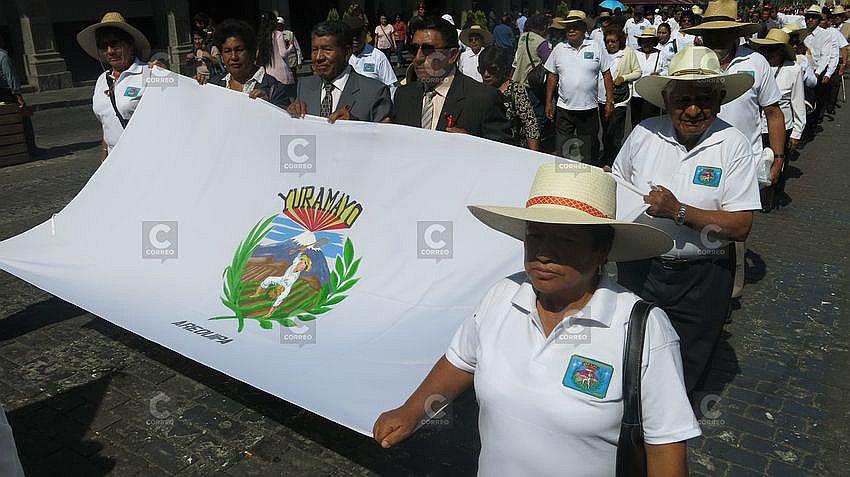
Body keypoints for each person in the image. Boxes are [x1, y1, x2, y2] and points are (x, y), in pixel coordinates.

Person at [374, 163, 700, 477]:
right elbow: (461, 361)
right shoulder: (503, 296)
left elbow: (664, 447)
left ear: (603, 250)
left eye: (565, 239)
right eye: (536, 235)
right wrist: (413, 410)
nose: (544, 252)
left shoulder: (643, 329)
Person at [614, 46, 761, 394]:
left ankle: (672, 434)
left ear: (721, 99)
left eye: (704, 99)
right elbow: (616, 184)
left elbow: (741, 225)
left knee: (688, 363)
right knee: (632, 351)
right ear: (666, 99)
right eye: (683, 99)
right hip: (640, 268)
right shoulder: (644, 132)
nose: (693, 110)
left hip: (703, 277)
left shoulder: (733, 143)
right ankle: (630, 426)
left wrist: (679, 211)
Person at [683, 0, 785, 189]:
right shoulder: (689, 62)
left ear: (736, 33)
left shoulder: (755, 61)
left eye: (723, 32)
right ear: (702, 35)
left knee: (738, 217)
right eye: (710, 33)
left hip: (745, 162)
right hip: (698, 158)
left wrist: (778, 158)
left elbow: (773, 113)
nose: (716, 39)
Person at [391, 16, 512, 142]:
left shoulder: (484, 99)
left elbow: (504, 153)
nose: (418, 58)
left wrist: (474, 145)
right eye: (414, 49)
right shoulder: (402, 96)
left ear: (453, 55)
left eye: (428, 49)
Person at [77, 12, 162, 160]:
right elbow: (107, 121)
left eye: (115, 43)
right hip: (114, 159)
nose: (110, 51)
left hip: (145, 156)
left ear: (130, 44)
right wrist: (105, 152)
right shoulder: (102, 80)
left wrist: (165, 73)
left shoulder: (149, 74)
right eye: (104, 46)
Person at [544, 11, 614, 165]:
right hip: (564, 108)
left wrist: (609, 100)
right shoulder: (559, 49)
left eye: (575, 27)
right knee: (563, 147)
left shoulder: (596, 47)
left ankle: (588, 177)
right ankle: (564, 177)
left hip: (588, 109)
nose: (571, 30)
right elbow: (552, 76)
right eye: (568, 27)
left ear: (583, 29)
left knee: (589, 149)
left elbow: (607, 74)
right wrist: (549, 102)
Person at [287, 21, 392, 123]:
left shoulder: (375, 91)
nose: (319, 57)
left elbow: (384, 137)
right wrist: (291, 116)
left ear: (347, 52)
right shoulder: (304, 86)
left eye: (327, 49)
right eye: (314, 50)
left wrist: (357, 126)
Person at [749, 28, 805, 211]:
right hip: (757, 125)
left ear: (781, 50)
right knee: (758, 162)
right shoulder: (756, 66)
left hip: (782, 125)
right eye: (765, 49)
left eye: (772, 49)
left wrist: (797, 132)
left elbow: (798, 103)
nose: (768, 53)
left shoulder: (793, 70)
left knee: (776, 164)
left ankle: (769, 199)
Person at [197, 19, 292, 109]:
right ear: (221, 56)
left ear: (253, 52)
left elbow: (286, 120)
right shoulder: (214, 85)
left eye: (239, 50)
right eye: (227, 51)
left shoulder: (274, 89)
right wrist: (195, 88)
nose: (234, 57)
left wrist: (271, 107)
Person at [478, 47, 539, 150]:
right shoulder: (479, 90)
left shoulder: (516, 90)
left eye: (492, 69)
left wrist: (533, 157)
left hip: (512, 149)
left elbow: (531, 127)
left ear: (502, 68)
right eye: (482, 69)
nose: (486, 74)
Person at [599, 26, 641, 167]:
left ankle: (613, 161)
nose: (610, 44)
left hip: (620, 99)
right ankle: (607, 157)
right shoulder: (602, 53)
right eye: (608, 41)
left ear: (620, 41)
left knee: (615, 132)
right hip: (602, 98)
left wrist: (624, 77)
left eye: (613, 41)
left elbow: (637, 72)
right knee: (605, 131)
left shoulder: (628, 53)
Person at [802, 6, 839, 129]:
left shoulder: (826, 35)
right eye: (808, 18)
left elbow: (826, 56)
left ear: (818, 20)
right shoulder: (802, 34)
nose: (810, 20)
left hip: (818, 71)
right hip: (804, 71)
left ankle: (814, 123)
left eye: (813, 18)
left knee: (818, 98)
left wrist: (821, 73)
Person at [344, 16, 398, 97]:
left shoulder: (378, 57)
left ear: (365, 33)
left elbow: (391, 87)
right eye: (351, 37)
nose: (355, 40)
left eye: (358, 36)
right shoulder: (341, 57)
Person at [250, 254, 312, 318]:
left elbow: (282, 287)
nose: (301, 267)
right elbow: (298, 257)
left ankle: (269, 314)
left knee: (280, 298)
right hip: (281, 279)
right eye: (301, 263)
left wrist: (278, 291)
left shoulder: (293, 277)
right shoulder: (295, 263)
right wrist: (300, 252)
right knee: (268, 279)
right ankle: (257, 294)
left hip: (286, 287)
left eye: (303, 267)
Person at [631, 27, 665, 128]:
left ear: (654, 42)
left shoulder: (660, 53)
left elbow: (666, 69)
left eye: (650, 41)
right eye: (644, 41)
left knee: (650, 123)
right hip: (636, 93)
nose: (646, 44)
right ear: (640, 42)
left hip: (651, 94)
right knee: (636, 123)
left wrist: (659, 75)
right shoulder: (635, 53)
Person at [257, 11, 295, 86]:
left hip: (268, 74)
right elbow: (283, 54)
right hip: (282, 74)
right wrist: (290, 46)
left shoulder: (262, 38)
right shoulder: (278, 34)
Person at [512, 13, 548, 87]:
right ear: (544, 27)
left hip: (517, 81)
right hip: (531, 84)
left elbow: (515, 61)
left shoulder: (523, 36)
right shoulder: (541, 42)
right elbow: (548, 64)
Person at [826, 6, 848, 115]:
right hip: (828, 57)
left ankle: (831, 105)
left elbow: (844, 45)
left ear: (843, 17)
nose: (837, 18)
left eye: (839, 16)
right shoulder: (831, 28)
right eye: (835, 16)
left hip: (841, 55)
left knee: (835, 83)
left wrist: (845, 61)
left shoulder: (848, 26)